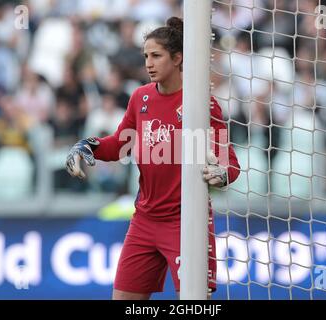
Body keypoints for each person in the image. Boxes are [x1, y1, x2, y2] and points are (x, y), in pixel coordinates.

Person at [65, 17, 240, 300]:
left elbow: (230, 162)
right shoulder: (140, 98)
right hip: (144, 220)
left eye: (156, 56)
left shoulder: (201, 103)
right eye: (146, 56)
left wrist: (221, 173)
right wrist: (88, 145)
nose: (149, 63)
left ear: (177, 58)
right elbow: (119, 144)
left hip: (186, 222)